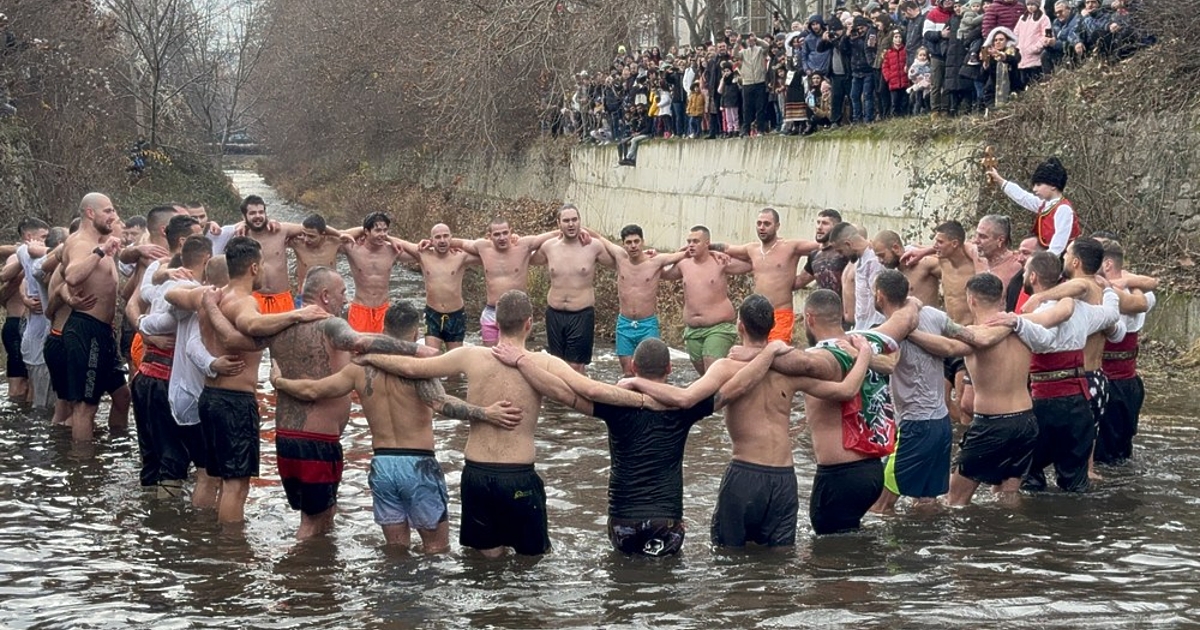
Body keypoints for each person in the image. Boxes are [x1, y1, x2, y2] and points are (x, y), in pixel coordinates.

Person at [495, 333, 787, 555]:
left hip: (623, 521)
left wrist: (522, 361)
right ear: (669, 368)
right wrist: (769, 352)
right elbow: (737, 386)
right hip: (666, 521)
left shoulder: (616, 406)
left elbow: (562, 393)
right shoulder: (684, 408)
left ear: (633, 367)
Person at [270, 299, 520, 547]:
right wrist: (486, 413)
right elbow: (441, 403)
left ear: (383, 329)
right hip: (418, 464)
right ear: (415, 333)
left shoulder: (359, 368)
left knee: (395, 549)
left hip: (383, 466)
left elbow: (313, 390)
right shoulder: (418, 368)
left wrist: (279, 382)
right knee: (436, 548)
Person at [355, 290, 561, 557]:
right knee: (526, 560)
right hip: (505, 472)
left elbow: (409, 369)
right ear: (529, 323)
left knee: (476, 560)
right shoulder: (543, 362)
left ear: (495, 323)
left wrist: (369, 357)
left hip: (455, 471)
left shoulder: (468, 355)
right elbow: (582, 392)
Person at [188, 236, 331, 524]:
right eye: (263, 264)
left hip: (210, 397)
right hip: (235, 402)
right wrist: (297, 315)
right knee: (236, 485)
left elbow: (175, 296)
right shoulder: (244, 301)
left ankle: (202, 536)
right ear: (254, 267)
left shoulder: (211, 296)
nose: (265, 270)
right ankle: (231, 547)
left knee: (211, 477)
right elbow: (251, 324)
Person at [759, 289, 919, 534]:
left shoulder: (826, 356)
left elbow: (807, 364)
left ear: (809, 318)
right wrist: (913, 303)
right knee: (852, 542)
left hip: (840, 475)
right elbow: (904, 320)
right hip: (873, 472)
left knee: (829, 550)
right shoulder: (870, 341)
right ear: (840, 315)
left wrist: (758, 353)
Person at [905, 273, 1046, 506]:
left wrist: (909, 333)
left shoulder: (976, 334)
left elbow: (948, 347)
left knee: (954, 499)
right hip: (1026, 421)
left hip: (992, 425)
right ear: (1002, 299)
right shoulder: (1021, 328)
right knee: (1006, 495)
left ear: (971, 300)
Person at [1016, 251, 1121, 493]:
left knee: (1030, 478)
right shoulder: (1081, 310)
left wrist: (1017, 322)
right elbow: (1112, 314)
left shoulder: (1036, 316)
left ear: (1033, 277)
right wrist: (1108, 291)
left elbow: (1044, 339)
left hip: (1042, 405)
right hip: (1077, 405)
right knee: (1075, 483)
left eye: (1024, 272)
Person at [870, 271, 952, 514]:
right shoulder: (935, 315)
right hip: (942, 424)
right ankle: (928, 539)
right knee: (926, 501)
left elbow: (889, 364)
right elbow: (963, 338)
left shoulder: (890, 333)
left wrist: (856, 353)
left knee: (880, 505)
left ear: (879, 295)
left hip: (915, 427)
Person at [59, 193, 134, 441]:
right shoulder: (82, 243)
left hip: (103, 332)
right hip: (86, 330)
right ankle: (82, 461)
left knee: (122, 396)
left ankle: (116, 447)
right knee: (85, 406)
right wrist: (100, 252)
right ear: (91, 213)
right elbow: (71, 276)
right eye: (108, 211)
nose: (113, 216)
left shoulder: (100, 242)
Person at [588, 224, 689, 377]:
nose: (633, 246)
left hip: (647, 325)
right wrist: (578, 231)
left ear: (643, 242)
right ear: (623, 244)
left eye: (636, 241)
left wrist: (713, 250)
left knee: (651, 371)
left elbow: (685, 254)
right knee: (628, 372)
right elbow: (599, 237)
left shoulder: (656, 261)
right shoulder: (620, 257)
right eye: (629, 242)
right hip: (625, 324)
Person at [448, 218, 560, 347]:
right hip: (492, 311)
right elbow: (461, 243)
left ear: (511, 232)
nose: (502, 238)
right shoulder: (483, 247)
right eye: (497, 234)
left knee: (513, 353)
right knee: (490, 354)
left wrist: (578, 232)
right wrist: (436, 242)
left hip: (516, 311)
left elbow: (551, 235)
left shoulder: (523, 246)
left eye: (505, 233)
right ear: (489, 236)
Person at [531, 205, 614, 373]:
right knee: (556, 365)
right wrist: (514, 240)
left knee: (576, 366)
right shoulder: (549, 247)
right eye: (566, 220)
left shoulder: (593, 246)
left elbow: (622, 261)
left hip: (581, 314)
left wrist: (596, 235)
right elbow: (524, 256)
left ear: (580, 222)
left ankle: (579, 391)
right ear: (558, 223)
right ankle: (560, 392)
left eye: (575, 220)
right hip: (554, 313)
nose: (571, 224)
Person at [716, 208, 819, 343]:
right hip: (756, 314)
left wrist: (805, 277)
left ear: (777, 226)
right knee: (755, 351)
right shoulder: (752, 249)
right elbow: (727, 248)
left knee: (776, 352)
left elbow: (821, 247)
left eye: (766, 224)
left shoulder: (790, 247)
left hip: (780, 314)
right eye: (759, 223)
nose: (762, 227)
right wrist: (709, 249)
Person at [661, 225, 752, 376]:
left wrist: (718, 250)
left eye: (696, 241)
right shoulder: (684, 264)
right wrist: (677, 254)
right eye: (689, 241)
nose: (691, 244)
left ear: (707, 243)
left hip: (718, 327)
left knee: (712, 371)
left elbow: (751, 262)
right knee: (705, 375)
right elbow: (663, 273)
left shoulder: (720, 261)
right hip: (693, 330)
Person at [1097, 240, 1155, 464]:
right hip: (1129, 383)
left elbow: (1136, 303)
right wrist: (1131, 280)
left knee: (1104, 453)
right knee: (1121, 451)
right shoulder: (1144, 292)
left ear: (1107, 264)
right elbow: (1147, 292)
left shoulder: (1104, 294)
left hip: (1108, 384)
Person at [238, 195, 341, 315]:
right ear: (244, 216)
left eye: (261, 212)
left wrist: (339, 234)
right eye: (252, 213)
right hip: (255, 298)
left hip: (282, 298)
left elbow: (314, 227)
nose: (258, 216)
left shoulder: (281, 230)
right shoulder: (241, 236)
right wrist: (241, 225)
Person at [415, 223, 480, 353]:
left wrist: (457, 243)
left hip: (456, 315)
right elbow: (400, 245)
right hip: (432, 314)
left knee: (454, 359)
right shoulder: (424, 254)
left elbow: (484, 249)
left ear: (451, 237)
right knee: (431, 356)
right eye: (438, 237)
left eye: (445, 236)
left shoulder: (461, 256)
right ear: (431, 240)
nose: (442, 240)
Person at [826, 222, 885, 329]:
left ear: (848, 244)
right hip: (862, 327)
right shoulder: (859, 261)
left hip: (875, 326)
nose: (841, 255)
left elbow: (880, 299)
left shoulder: (874, 260)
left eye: (840, 251)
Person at [287, 214, 343, 307]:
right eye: (304, 234)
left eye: (311, 236)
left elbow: (362, 230)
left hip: (329, 299)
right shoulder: (297, 243)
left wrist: (338, 234)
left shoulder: (334, 242)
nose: (306, 239)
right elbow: (281, 232)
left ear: (323, 234)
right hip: (304, 299)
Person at [794, 209, 849, 296]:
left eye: (825, 223)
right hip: (823, 303)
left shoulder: (845, 252)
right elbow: (799, 282)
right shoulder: (815, 255)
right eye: (818, 222)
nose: (819, 227)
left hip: (845, 303)